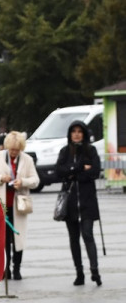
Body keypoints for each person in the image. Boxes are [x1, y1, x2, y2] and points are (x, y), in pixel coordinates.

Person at [0, 130, 39, 279]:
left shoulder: (27, 159)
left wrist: (23, 182)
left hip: (19, 205)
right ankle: (5, 268)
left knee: (18, 237)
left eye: (17, 150)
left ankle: (17, 268)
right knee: (3, 239)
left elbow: (35, 180)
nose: (14, 153)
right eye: (12, 150)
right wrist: (1, 178)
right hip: (2, 204)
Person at [56, 121, 102, 286]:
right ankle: (79, 272)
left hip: (87, 200)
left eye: (79, 131)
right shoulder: (65, 151)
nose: (76, 134)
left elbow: (95, 171)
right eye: (73, 131)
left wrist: (75, 173)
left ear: (84, 133)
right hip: (70, 202)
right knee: (73, 238)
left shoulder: (91, 150)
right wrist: (79, 168)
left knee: (88, 234)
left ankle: (95, 270)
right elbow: (59, 171)